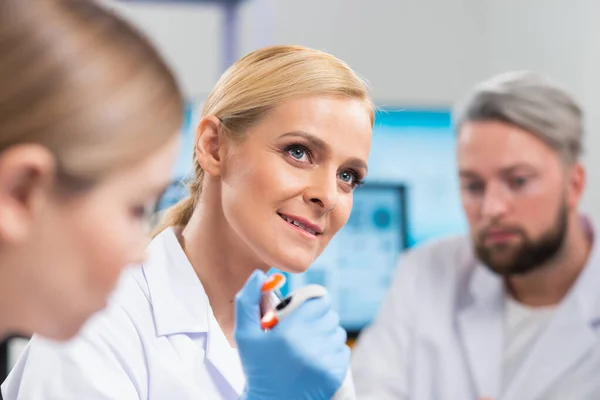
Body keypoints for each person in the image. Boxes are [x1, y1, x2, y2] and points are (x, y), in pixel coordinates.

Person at [2, 42, 374, 399]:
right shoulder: (95, 322)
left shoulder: (306, 349)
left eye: (348, 177)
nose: (327, 196)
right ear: (213, 146)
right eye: (299, 152)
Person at [351, 71, 600, 400]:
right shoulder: (425, 272)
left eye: (518, 181)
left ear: (574, 185)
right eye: (473, 186)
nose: (491, 208)